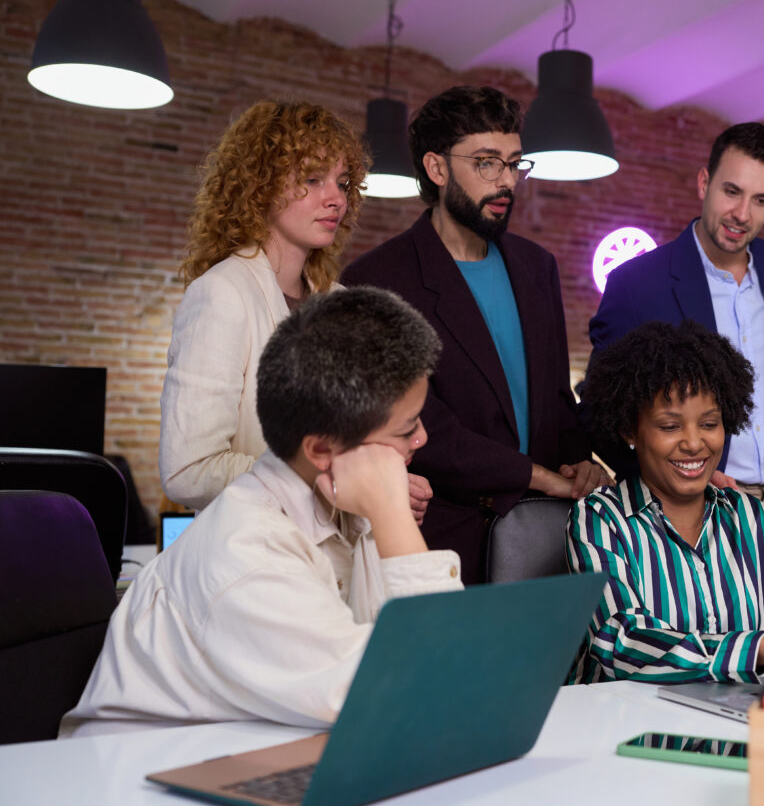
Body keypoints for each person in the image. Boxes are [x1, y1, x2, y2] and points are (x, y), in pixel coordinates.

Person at [61, 288, 463, 738]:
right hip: (142, 788)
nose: (422, 438)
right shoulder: (249, 555)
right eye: (407, 428)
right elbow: (433, 689)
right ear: (323, 449)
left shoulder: (348, 504)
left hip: (256, 750)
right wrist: (393, 513)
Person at [343, 86, 609, 584]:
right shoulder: (377, 281)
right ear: (437, 168)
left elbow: (554, 396)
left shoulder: (537, 267)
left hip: (550, 540)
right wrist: (537, 477)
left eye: (513, 163)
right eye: (487, 163)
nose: (506, 180)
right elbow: (425, 431)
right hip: (442, 542)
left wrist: (579, 462)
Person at [160, 101, 429, 524]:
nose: (335, 198)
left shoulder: (339, 302)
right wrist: (330, 478)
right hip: (259, 559)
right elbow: (187, 472)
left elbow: (349, 445)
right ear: (259, 185)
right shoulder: (221, 294)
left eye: (342, 182)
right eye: (312, 178)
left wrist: (388, 482)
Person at [588, 122, 764, 500]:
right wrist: (676, 480)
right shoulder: (636, 284)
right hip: (690, 510)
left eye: (761, 200)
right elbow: (600, 411)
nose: (742, 214)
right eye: (731, 191)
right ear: (704, 183)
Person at [566, 321, 764, 684]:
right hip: (630, 727)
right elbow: (620, 642)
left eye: (709, 424)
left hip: (738, 727)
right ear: (629, 431)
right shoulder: (600, 519)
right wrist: (761, 647)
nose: (694, 443)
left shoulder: (755, 518)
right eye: (670, 427)